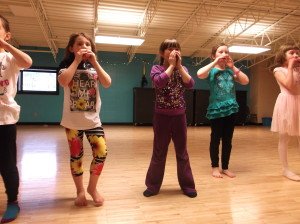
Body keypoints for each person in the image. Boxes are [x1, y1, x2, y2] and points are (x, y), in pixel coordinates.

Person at [57, 33, 111, 206]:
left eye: (87, 44)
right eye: (79, 44)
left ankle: (92, 188)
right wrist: (76, 61)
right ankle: (80, 191)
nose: (84, 46)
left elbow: (107, 82)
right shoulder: (66, 65)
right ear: (71, 48)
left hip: (93, 120)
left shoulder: (94, 66)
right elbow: (64, 81)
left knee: (101, 152)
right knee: (76, 157)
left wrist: (94, 62)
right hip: (72, 122)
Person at [143, 39, 197, 198]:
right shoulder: (156, 68)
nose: (173, 51)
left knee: (182, 152)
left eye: (176, 48)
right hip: (161, 117)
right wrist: (172, 66)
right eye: (169, 49)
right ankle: (152, 186)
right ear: (162, 53)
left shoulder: (183, 69)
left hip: (179, 117)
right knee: (159, 152)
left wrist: (179, 67)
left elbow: (190, 84)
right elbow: (159, 82)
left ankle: (187, 185)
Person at [197, 43, 249, 178]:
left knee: (228, 140)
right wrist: (215, 61)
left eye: (226, 52)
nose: (224, 54)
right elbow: (199, 74)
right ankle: (215, 167)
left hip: (231, 109)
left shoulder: (231, 71)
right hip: (216, 109)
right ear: (214, 55)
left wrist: (233, 67)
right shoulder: (211, 71)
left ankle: (225, 167)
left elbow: (245, 81)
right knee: (215, 139)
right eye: (220, 52)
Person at [0, 15, 32, 223]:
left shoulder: (9, 58)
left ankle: (13, 201)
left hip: (4, 120)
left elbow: (27, 61)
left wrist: (4, 45)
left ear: (7, 35)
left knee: (7, 164)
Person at [271, 44, 300, 181]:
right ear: (283, 56)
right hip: (286, 103)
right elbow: (290, 85)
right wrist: (290, 67)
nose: (295, 55)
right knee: (285, 137)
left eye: (297, 53)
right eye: (292, 53)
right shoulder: (278, 70)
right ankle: (286, 169)